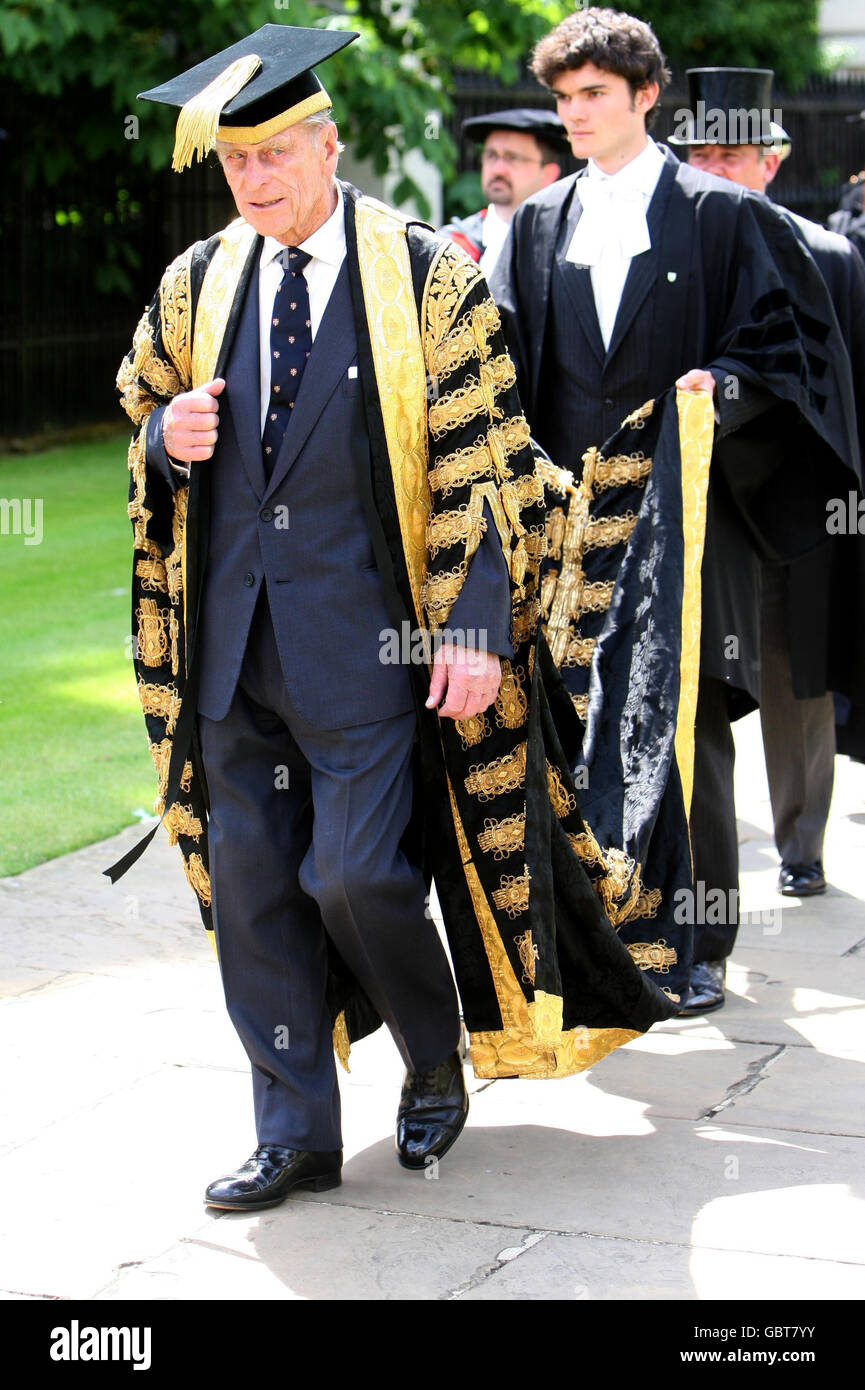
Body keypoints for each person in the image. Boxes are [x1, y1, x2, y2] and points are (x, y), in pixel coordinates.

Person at [111, 21, 707, 1213]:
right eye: (236, 162)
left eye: (275, 154)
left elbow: (484, 465)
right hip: (231, 654)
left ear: (327, 145)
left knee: (354, 879)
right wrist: (161, 445)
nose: (254, 180)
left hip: (371, 653)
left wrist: (475, 628)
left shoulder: (428, 272)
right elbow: (143, 406)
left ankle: (433, 1051)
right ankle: (294, 1136)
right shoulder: (197, 279)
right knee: (255, 898)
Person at [489, 8, 860, 1016]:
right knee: (577, 729)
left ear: (646, 96)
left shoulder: (718, 216)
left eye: (594, 95)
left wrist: (720, 393)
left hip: (692, 519)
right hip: (572, 527)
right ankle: (599, 938)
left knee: (685, 725)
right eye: (564, 98)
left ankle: (697, 944)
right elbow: (504, 366)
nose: (575, 115)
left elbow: (785, 348)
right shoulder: (537, 223)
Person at [677, 66, 865, 906]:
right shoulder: (669, 257)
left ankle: (801, 844)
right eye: (702, 154)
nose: (717, 168)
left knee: (798, 678)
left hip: (797, 506)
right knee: (701, 684)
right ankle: (696, 866)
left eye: (735, 153)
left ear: (772, 162)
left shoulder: (828, 255)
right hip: (701, 505)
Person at [440, 108, 567, 275]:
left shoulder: (568, 246)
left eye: (513, 158)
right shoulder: (451, 247)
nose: (498, 169)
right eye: (491, 155)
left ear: (548, 174)